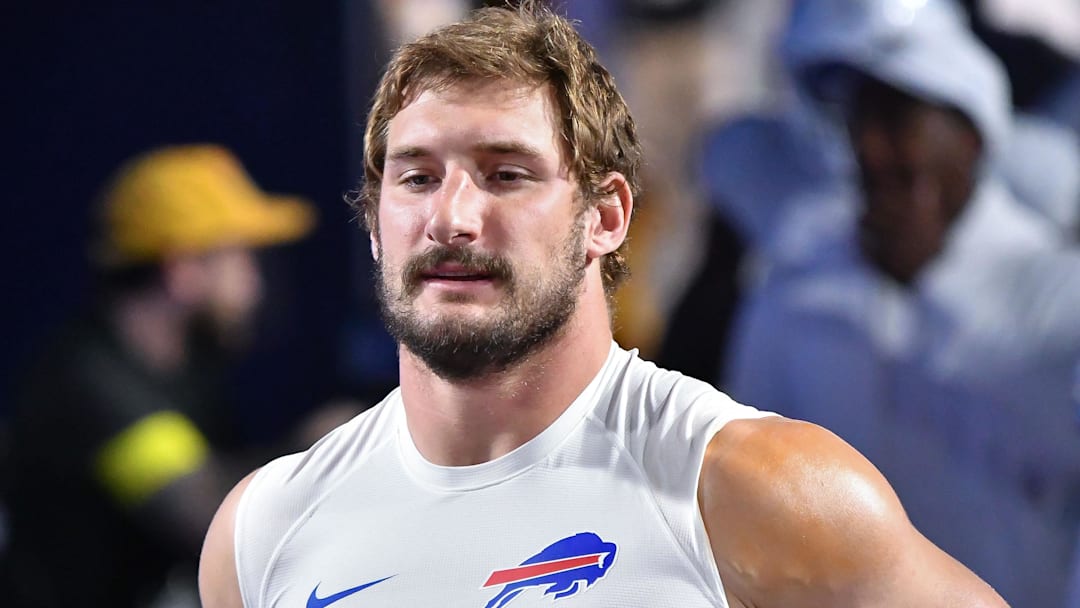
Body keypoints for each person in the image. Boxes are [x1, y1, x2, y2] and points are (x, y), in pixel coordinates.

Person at [198, 4, 1007, 607]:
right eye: (416, 176)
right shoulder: (264, 528)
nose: (450, 217)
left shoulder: (759, 491)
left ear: (607, 216)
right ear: (375, 223)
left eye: (505, 173)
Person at [4, 144, 318, 608]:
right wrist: (321, 455)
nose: (254, 285)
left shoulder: (184, 373)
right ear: (183, 270)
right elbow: (205, 515)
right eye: (241, 258)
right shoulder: (91, 385)